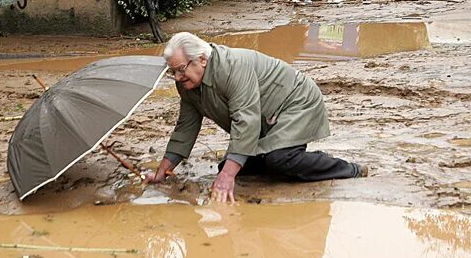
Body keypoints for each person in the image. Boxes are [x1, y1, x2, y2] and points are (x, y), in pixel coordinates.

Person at [147, 32, 366, 202]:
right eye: (172, 71)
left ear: (202, 59)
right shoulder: (187, 84)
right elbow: (185, 127)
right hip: (265, 118)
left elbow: (246, 120)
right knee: (229, 167)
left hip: (296, 102)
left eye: (180, 69)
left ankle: (349, 169)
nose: (176, 77)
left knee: (279, 160)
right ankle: (285, 155)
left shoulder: (232, 67)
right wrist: (163, 171)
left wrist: (227, 179)